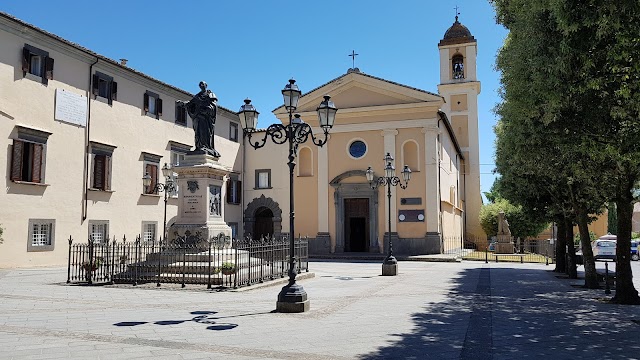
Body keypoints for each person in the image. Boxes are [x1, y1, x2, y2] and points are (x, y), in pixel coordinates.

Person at [180, 81, 219, 157]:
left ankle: (205, 146)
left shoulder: (211, 94)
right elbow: (190, 103)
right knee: (197, 132)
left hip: (206, 118)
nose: (201, 86)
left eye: (203, 84)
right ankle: (199, 147)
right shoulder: (197, 96)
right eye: (200, 85)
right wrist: (182, 103)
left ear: (206, 85)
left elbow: (214, 105)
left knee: (204, 132)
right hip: (197, 117)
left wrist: (207, 110)